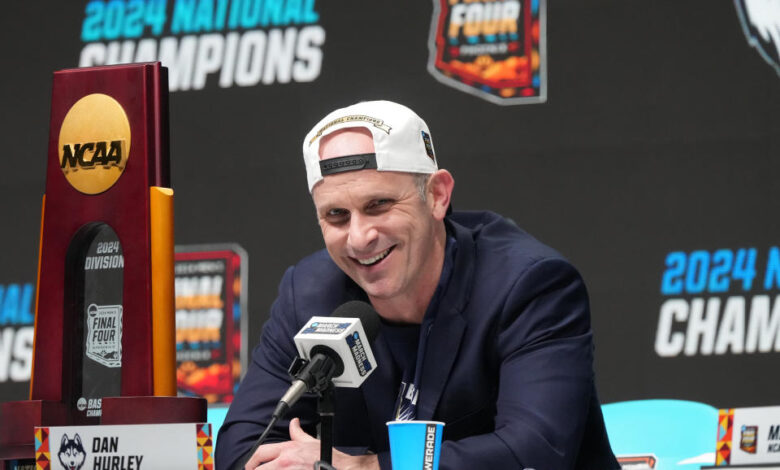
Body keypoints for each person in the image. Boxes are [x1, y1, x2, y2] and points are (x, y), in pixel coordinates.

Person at [215, 100, 619, 470]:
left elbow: (534, 450)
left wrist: (362, 468)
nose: (359, 237)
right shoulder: (308, 293)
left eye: (379, 205)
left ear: (437, 195)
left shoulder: (527, 285)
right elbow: (243, 446)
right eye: (337, 216)